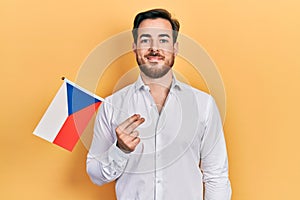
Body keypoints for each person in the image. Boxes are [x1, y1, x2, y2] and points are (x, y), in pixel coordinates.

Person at [86, 8, 231, 200]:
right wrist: (120, 150)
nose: (154, 48)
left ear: (175, 48)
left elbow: (217, 176)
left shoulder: (203, 105)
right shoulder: (112, 106)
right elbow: (96, 175)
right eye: (145, 40)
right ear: (135, 47)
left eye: (163, 40)